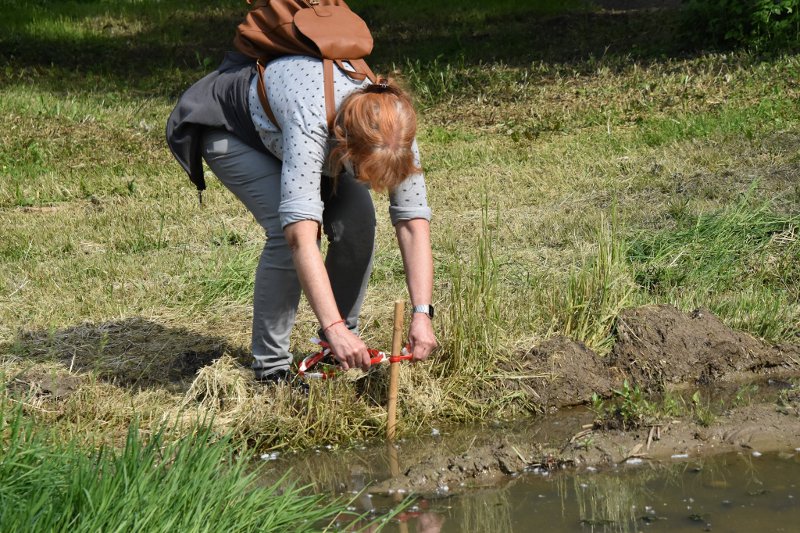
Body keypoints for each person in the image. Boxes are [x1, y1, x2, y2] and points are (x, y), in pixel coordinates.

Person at [166, 52, 437, 382]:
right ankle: (271, 370)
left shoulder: (395, 128)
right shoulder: (311, 122)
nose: (370, 183)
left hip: (293, 134)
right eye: (363, 173)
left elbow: (412, 223)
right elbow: (301, 238)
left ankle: (332, 351)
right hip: (233, 130)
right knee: (284, 235)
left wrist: (422, 313)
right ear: (344, 146)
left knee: (358, 223)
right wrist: (333, 325)